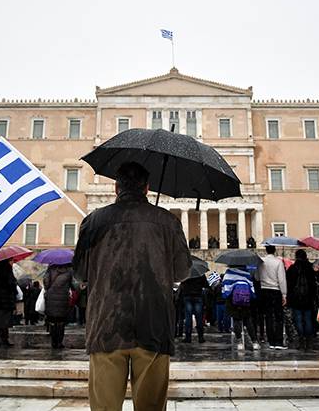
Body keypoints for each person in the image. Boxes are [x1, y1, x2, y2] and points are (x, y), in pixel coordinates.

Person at [72, 161, 191, 411]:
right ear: (147, 188)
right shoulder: (168, 222)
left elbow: (80, 272)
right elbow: (182, 271)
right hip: (154, 324)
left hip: (106, 324)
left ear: (116, 188)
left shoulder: (93, 221)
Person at [255, 245, 287, 349]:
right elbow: (281, 279)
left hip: (264, 290)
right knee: (278, 317)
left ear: (266, 251)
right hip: (276, 290)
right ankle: (278, 341)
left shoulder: (261, 262)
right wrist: (284, 294)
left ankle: (271, 341)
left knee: (268, 316)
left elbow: (257, 277)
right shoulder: (278, 262)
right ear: (274, 251)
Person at [285, 249, 318, 350]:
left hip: (296, 298)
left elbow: (288, 284)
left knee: (298, 319)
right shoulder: (310, 268)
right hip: (308, 298)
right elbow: (314, 284)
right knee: (308, 319)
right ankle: (309, 339)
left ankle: (301, 338)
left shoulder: (292, 268)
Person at [222, 265, 258, 350]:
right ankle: (254, 342)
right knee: (248, 320)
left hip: (232, 301)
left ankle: (239, 343)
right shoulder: (247, 274)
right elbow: (252, 289)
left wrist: (227, 295)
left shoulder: (228, 273)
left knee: (236, 320)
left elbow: (225, 289)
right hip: (245, 299)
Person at [43, 263, 73, 349]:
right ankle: (59, 342)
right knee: (61, 323)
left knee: (52, 322)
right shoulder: (69, 271)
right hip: (63, 300)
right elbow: (73, 285)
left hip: (51, 299)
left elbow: (46, 285)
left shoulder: (49, 270)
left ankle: (53, 342)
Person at [179, 274, 208, 343]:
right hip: (198, 296)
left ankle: (188, 337)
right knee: (199, 317)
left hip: (187, 296)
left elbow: (182, 284)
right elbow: (206, 285)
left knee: (188, 318)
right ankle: (200, 337)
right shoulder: (200, 273)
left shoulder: (186, 272)